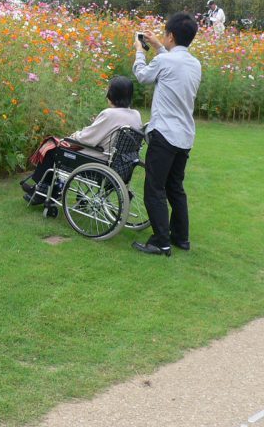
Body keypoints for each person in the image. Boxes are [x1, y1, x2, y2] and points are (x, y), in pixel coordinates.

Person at [131, 13, 202, 256]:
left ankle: (161, 241)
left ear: (170, 35)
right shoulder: (194, 63)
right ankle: (181, 238)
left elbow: (142, 76)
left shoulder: (166, 62)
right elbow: (172, 64)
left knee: (154, 188)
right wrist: (160, 47)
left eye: (164, 35)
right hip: (184, 136)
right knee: (175, 187)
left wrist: (140, 51)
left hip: (164, 134)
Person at [22, 76, 142, 202]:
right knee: (57, 147)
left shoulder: (110, 114)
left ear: (112, 94)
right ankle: (49, 188)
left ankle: (41, 189)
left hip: (98, 159)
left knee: (52, 148)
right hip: (119, 162)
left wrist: (74, 135)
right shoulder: (135, 115)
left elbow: (87, 139)